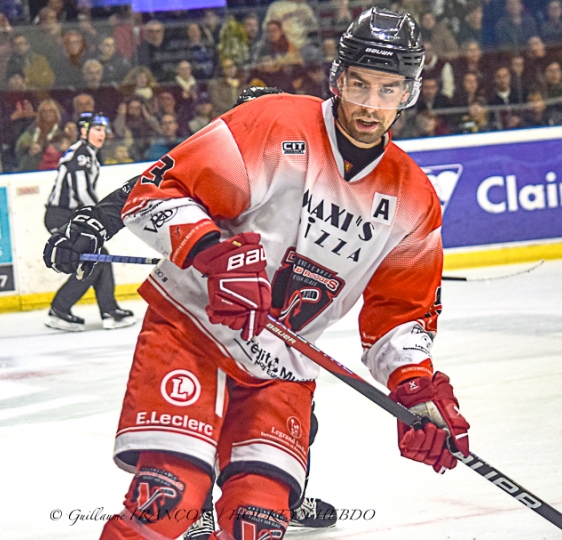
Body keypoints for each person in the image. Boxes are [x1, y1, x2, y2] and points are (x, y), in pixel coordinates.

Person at [43, 8, 471, 540]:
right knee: (171, 499)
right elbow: (159, 191)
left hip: (281, 364)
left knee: (256, 524)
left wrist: (415, 388)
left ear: (409, 93)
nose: (369, 104)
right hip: (195, 331)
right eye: (359, 84)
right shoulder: (276, 122)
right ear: (337, 79)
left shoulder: (414, 199)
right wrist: (211, 253)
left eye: (388, 89)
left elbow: (400, 317)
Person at [43, 113, 136, 332]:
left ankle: (108, 310)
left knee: (99, 257)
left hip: (69, 215)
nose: (101, 134)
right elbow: (82, 191)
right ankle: (61, 309)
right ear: (84, 132)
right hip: (61, 216)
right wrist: (101, 219)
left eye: (103, 130)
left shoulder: (87, 153)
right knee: (95, 258)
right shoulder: (82, 155)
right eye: (96, 129)